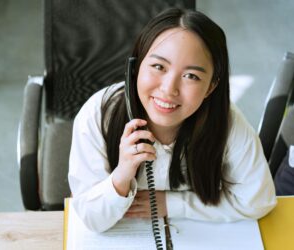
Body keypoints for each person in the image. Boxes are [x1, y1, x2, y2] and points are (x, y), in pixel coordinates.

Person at [68, 7, 277, 232]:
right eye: (158, 67)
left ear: (211, 87)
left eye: (191, 76)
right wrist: (122, 174)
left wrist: (172, 204)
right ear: (136, 66)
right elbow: (91, 219)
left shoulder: (227, 122)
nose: (169, 90)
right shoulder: (98, 113)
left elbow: (258, 201)